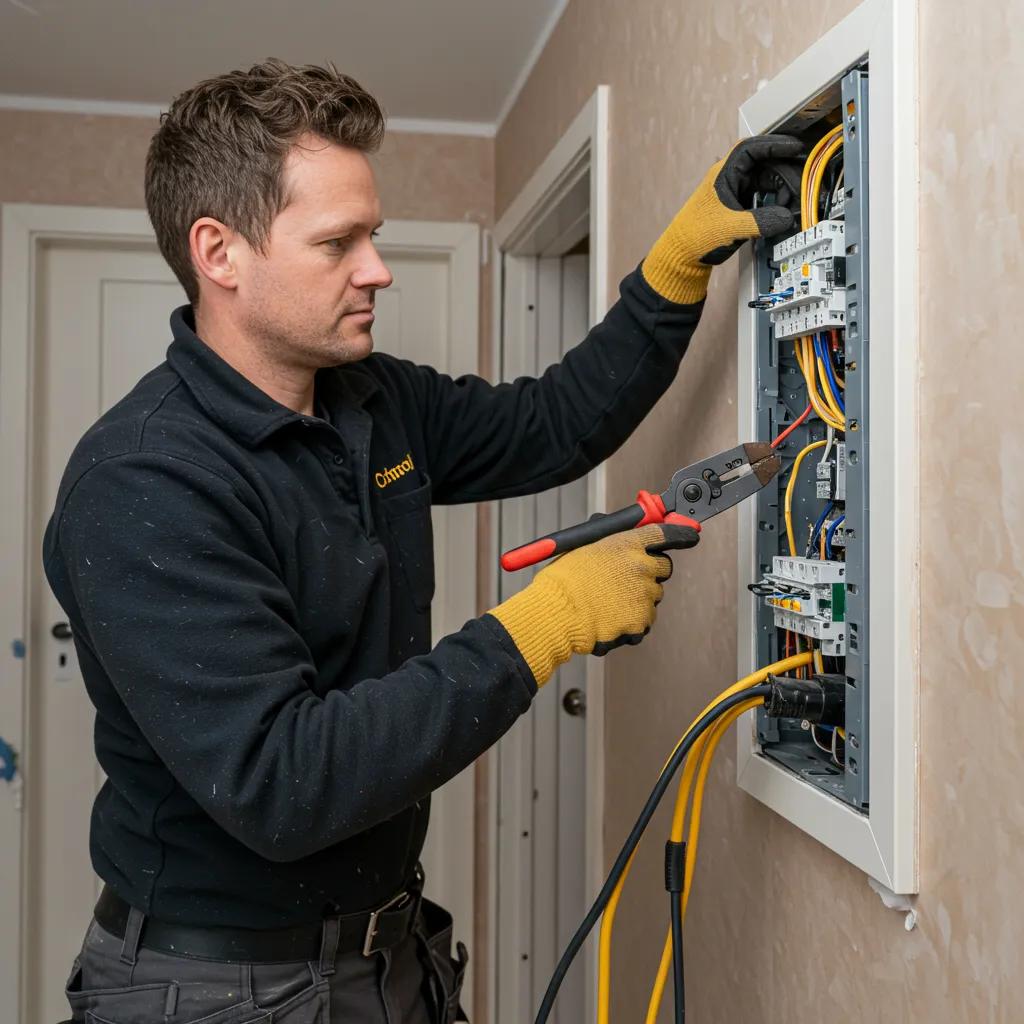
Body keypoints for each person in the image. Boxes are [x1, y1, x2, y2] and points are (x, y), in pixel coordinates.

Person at [44, 58, 802, 1023]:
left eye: (376, 234)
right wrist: (546, 624)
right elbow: (286, 782)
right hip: (216, 989)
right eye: (337, 243)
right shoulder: (144, 482)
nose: (377, 268)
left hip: (387, 957)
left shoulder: (373, 398)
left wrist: (676, 265)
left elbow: (556, 424)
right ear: (219, 252)